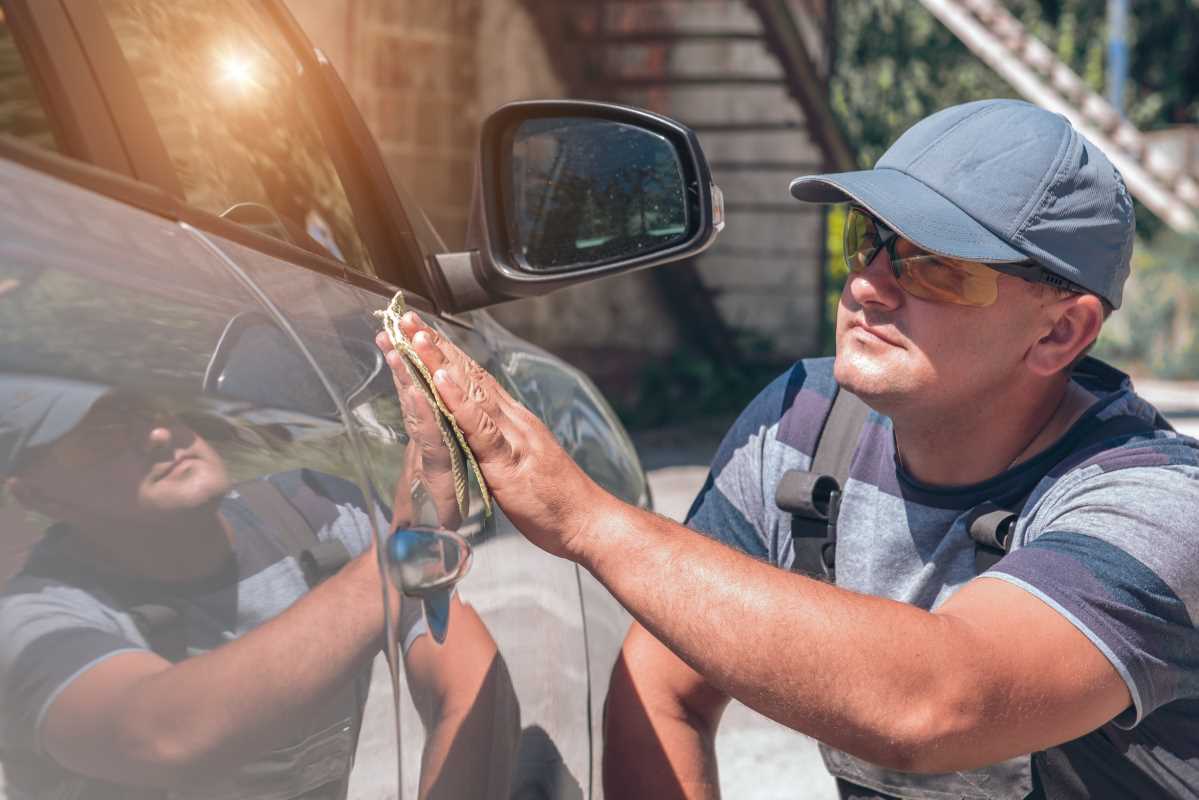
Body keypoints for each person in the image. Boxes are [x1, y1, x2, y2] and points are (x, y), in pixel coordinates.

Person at [376, 99, 1199, 799]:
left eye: (938, 268)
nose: (869, 283)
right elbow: (661, 688)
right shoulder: (804, 422)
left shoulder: (1153, 502)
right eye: (867, 239)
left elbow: (938, 704)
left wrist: (587, 519)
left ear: (1060, 330)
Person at [0, 373, 516, 799]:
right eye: (103, 433)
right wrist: (403, 556)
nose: (158, 435)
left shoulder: (316, 513)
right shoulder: (30, 623)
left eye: (151, 406)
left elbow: (472, 681)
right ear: (40, 494)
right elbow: (164, 734)